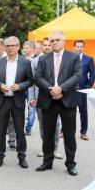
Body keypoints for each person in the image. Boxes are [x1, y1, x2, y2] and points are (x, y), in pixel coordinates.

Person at [35, 30, 82, 176]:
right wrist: (51, 90)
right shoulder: (43, 58)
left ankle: (70, 164)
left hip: (67, 100)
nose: (54, 42)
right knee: (48, 134)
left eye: (57, 40)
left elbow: (77, 75)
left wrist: (61, 88)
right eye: (52, 40)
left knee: (69, 134)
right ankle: (47, 162)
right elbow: (38, 77)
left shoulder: (73, 57)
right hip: (48, 99)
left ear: (63, 41)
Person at [0, 36, 34, 168]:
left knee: (20, 130)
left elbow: (30, 80)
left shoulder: (25, 62)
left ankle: (21, 157)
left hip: (18, 100)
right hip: (3, 100)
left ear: (18, 47)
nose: (10, 48)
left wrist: (20, 86)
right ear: (5, 47)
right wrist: (0, 85)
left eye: (13, 45)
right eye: (7, 46)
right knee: (1, 130)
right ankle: (0, 156)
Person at [34, 38, 62, 159]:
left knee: (55, 123)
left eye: (48, 45)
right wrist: (31, 98)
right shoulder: (35, 61)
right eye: (44, 45)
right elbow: (33, 82)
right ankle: (45, 147)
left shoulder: (59, 60)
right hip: (40, 97)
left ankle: (54, 148)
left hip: (56, 97)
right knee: (42, 124)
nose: (46, 47)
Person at [72, 40, 95, 140]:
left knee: (83, 112)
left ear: (84, 48)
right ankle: (64, 131)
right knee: (69, 112)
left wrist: (87, 86)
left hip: (82, 89)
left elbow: (93, 74)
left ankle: (83, 132)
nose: (79, 48)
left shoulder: (89, 59)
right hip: (71, 89)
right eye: (77, 46)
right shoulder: (70, 58)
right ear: (74, 47)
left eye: (81, 46)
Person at [22, 41, 37, 136]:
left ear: (32, 48)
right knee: (20, 109)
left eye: (26, 48)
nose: (24, 50)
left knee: (32, 109)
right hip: (22, 87)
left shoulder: (37, 59)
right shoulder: (21, 59)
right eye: (24, 48)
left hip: (32, 87)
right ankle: (18, 127)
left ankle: (28, 128)